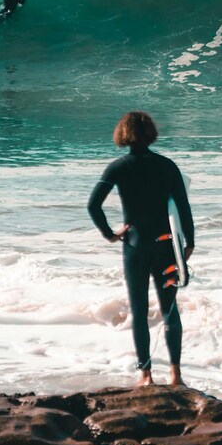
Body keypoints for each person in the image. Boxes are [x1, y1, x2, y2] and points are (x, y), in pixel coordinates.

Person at [87, 111, 195, 386]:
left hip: (135, 245)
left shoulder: (118, 167)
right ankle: (176, 375)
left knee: (139, 310)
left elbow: (93, 205)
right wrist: (189, 243)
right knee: (170, 309)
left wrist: (110, 234)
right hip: (167, 247)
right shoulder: (168, 166)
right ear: (151, 133)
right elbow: (183, 208)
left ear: (123, 134)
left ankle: (146, 375)